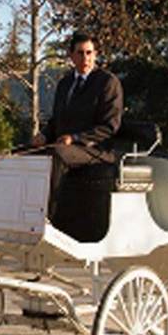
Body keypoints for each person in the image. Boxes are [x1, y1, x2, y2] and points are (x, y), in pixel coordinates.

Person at [31, 32, 124, 228]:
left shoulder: (107, 82)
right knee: (22, 152)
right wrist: (44, 135)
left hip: (97, 150)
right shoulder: (65, 84)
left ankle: (50, 218)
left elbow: (109, 126)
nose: (85, 58)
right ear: (71, 56)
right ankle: (23, 211)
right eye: (80, 53)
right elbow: (57, 120)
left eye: (89, 53)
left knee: (57, 154)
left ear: (96, 54)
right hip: (68, 148)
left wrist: (75, 138)